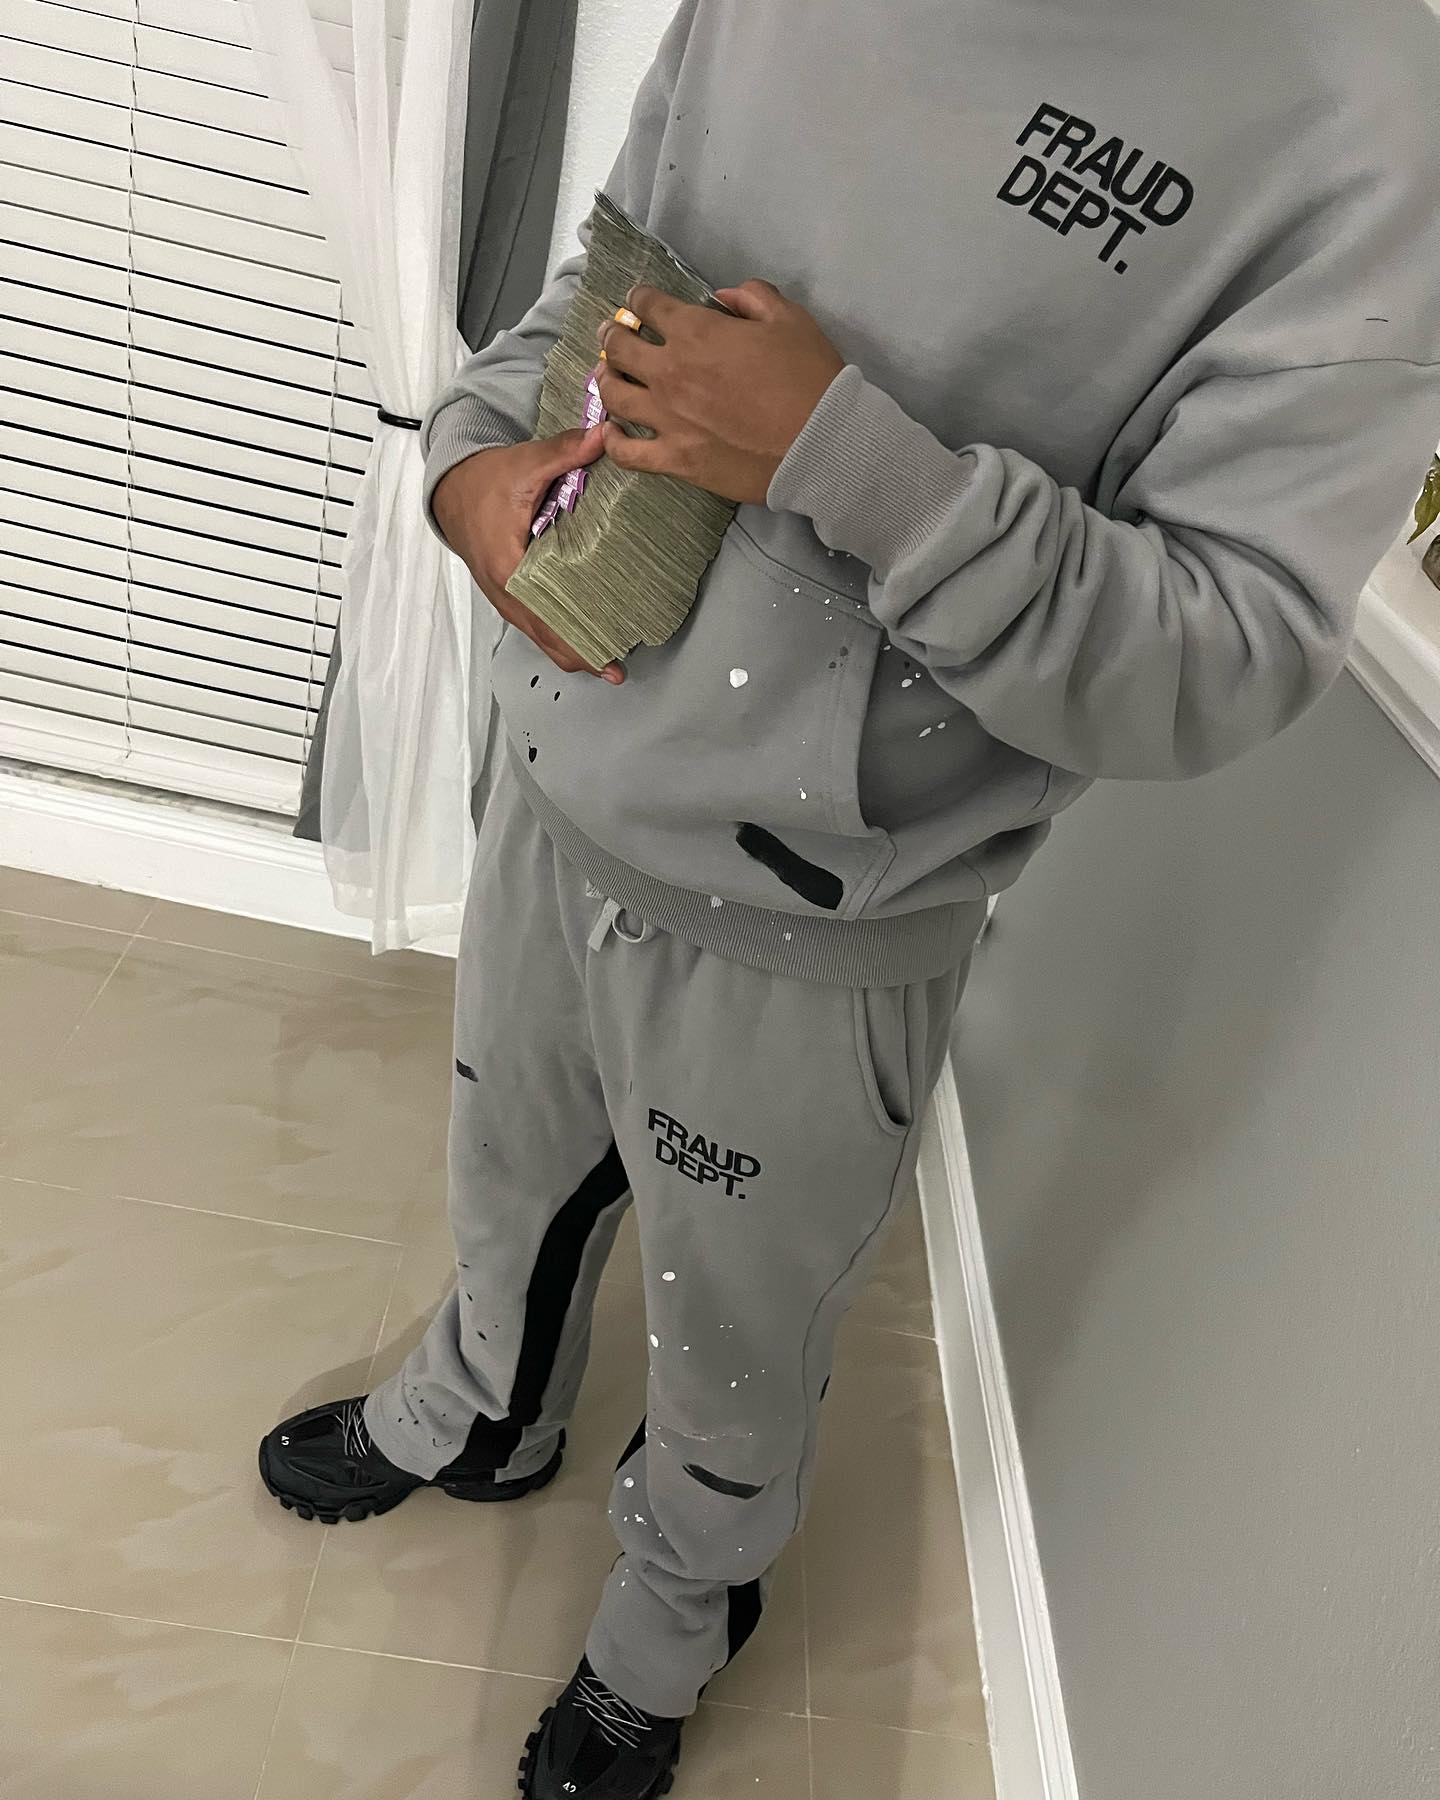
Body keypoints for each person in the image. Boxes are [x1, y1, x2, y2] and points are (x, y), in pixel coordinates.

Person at [260, 2, 1440, 1794]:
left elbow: (1225, 649)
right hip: (559, 757)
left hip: (817, 916)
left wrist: (850, 462)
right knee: (507, 1156)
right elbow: (620, 277)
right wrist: (470, 464)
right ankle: (482, 1407)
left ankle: (678, 1612)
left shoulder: (1369, 124)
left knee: (739, 1325)